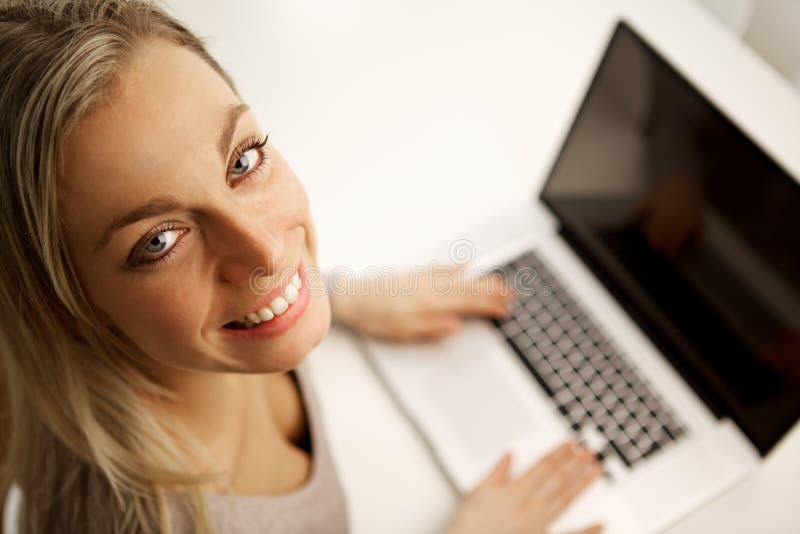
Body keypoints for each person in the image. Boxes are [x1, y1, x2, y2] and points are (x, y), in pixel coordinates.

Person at [0, 1, 603, 532]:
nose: (264, 252)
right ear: (63, 305)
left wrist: (339, 295)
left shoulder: (211, 327)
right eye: (159, 241)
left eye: (243, 158)